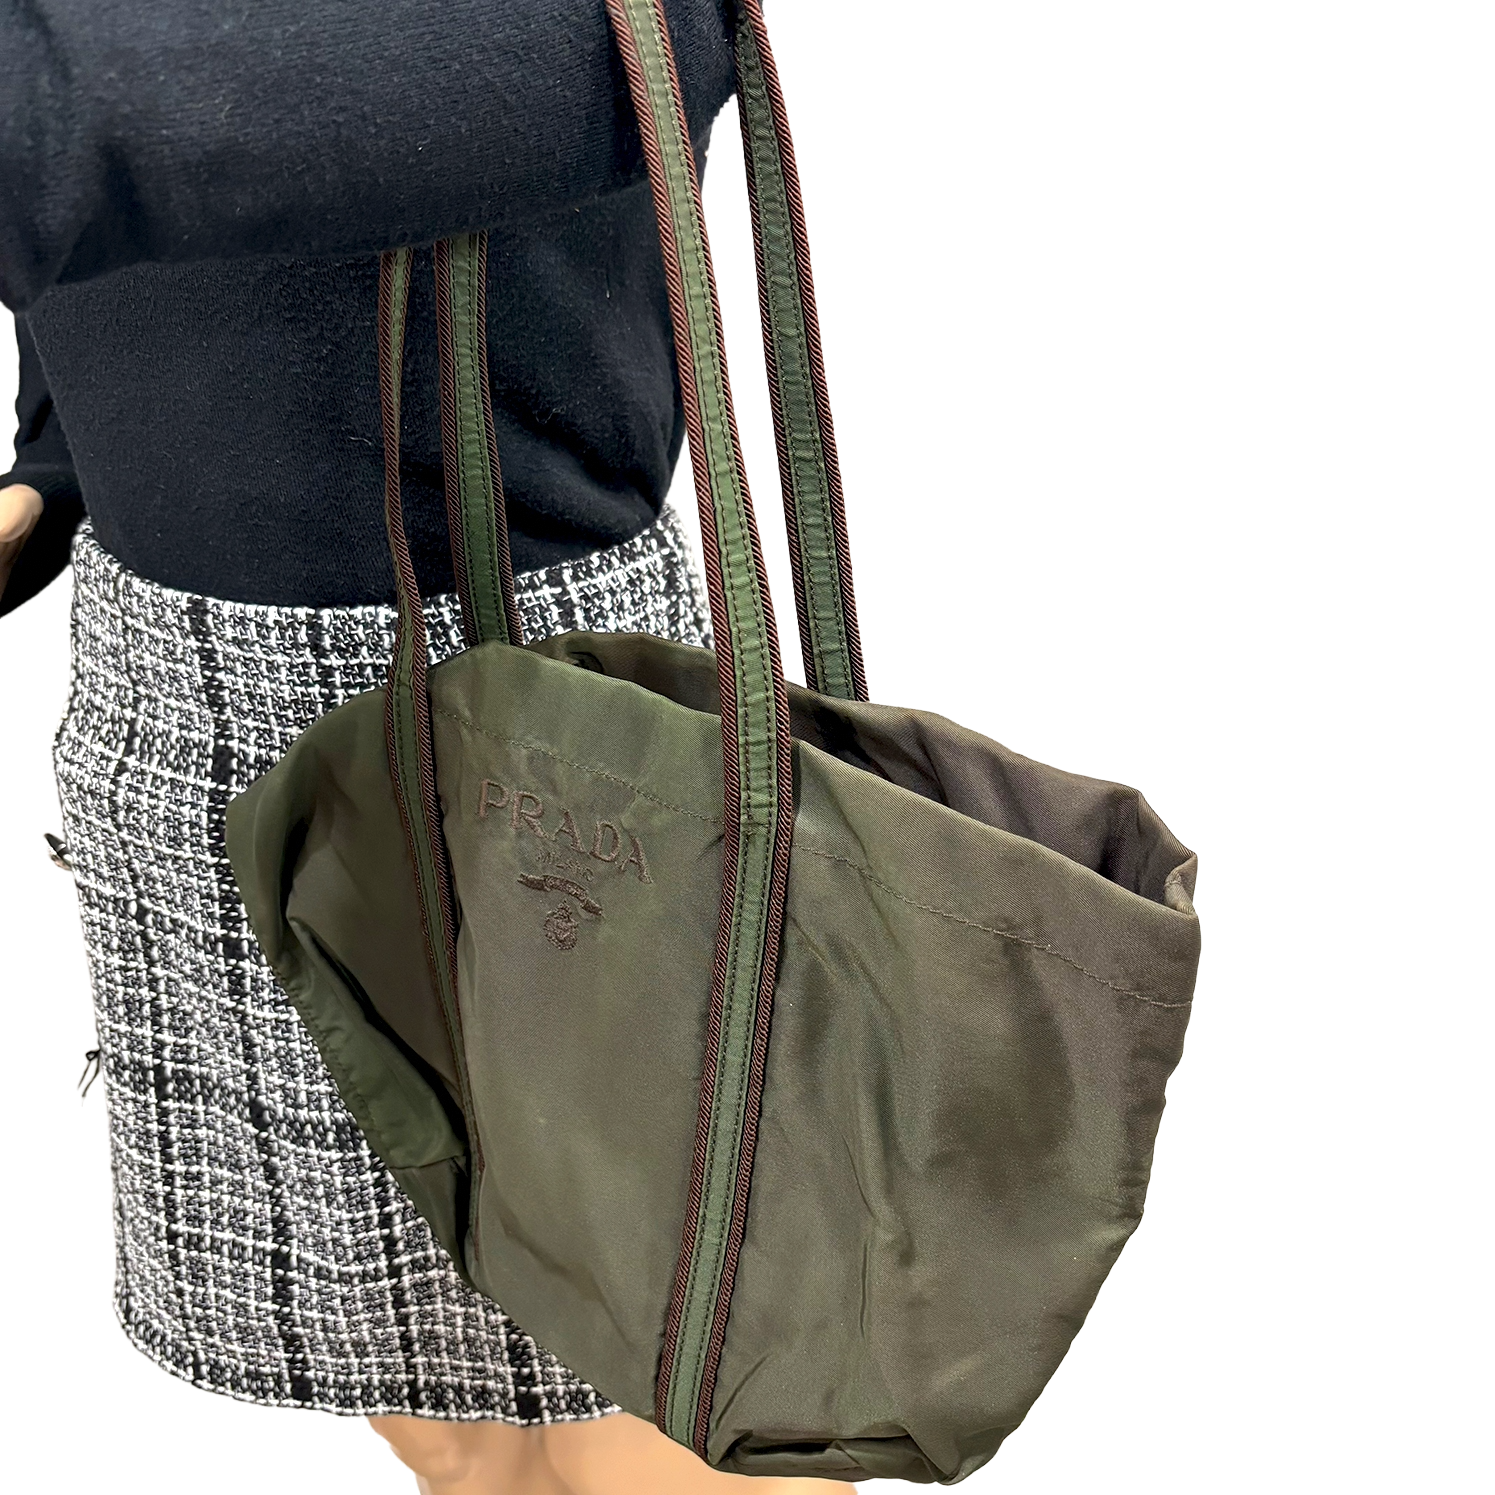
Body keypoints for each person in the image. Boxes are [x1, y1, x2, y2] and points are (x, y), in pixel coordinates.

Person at [0, 4, 840, 1491]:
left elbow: (616, 44)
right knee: (453, 1428)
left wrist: (43, 118)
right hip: (175, 693)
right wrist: (57, 461)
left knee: (651, 1427)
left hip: (511, 714)